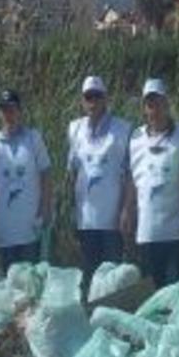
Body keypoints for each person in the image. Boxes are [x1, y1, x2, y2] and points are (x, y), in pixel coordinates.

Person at [126, 79, 179, 287]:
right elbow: (133, 179)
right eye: (150, 105)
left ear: (167, 104)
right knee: (152, 298)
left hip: (177, 233)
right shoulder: (136, 138)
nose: (154, 110)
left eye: (159, 103)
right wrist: (127, 211)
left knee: (177, 294)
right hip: (147, 233)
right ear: (144, 109)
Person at [66, 75, 131, 289]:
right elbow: (72, 173)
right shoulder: (74, 129)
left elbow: (128, 175)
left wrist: (125, 211)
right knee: (89, 273)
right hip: (86, 220)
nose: (92, 102)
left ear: (105, 99)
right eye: (88, 97)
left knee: (111, 278)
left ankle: (111, 316)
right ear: (83, 101)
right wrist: (70, 209)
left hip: (112, 219)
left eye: (97, 96)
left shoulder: (123, 129)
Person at [0, 89, 52, 272]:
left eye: (12, 109)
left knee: (30, 284)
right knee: (8, 285)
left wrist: (45, 207)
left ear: (20, 111)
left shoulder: (33, 138)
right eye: (4, 110)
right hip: (3, 229)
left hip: (29, 226)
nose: (9, 115)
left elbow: (46, 174)